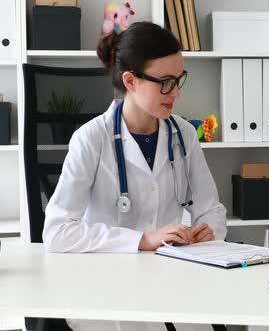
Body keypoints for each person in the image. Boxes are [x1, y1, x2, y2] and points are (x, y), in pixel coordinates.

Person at [43, 22, 226, 330]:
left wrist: (207, 230)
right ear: (130, 81)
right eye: (165, 82)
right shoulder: (92, 139)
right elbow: (57, 232)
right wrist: (142, 240)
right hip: (107, 283)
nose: (176, 93)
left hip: (171, 278)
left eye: (179, 80)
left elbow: (211, 209)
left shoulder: (183, 134)